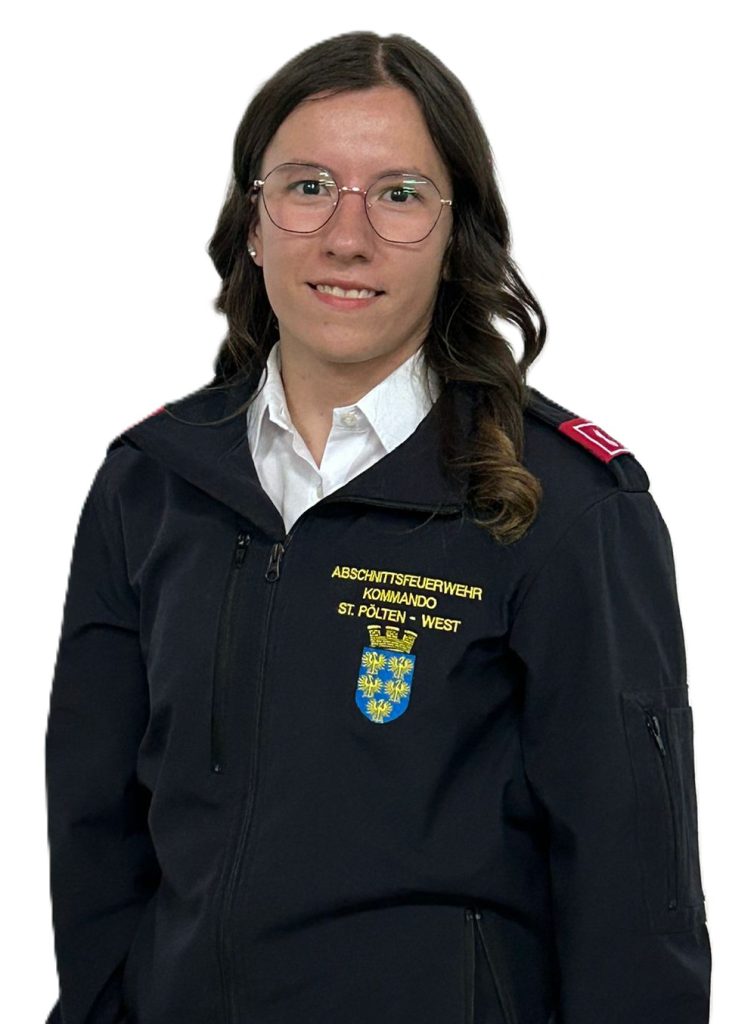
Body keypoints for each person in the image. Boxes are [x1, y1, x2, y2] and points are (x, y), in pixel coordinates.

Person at [44, 30, 712, 1024]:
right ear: (254, 223)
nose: (346, 237)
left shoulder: (563, 505)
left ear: (455, 235)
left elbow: (632, 895)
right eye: (308, 187)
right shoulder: (151, 485)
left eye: (398, 194)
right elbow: (95, 844)